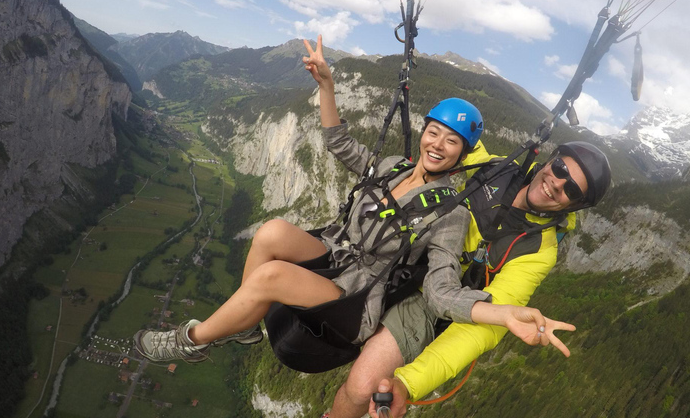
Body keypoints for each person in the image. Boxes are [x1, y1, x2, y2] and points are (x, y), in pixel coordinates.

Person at [132, 35, 563, 364]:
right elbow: (341, 146)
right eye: (434, 132)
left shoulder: (449, 214)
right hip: (336, 254)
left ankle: (190, 341)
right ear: (425, 131)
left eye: (452, 142)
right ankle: (243, 328)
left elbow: (441, 290)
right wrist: (327, 87)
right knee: (271, 233)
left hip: (355, 298)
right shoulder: (393, 164)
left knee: (271, 276)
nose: (438, 144)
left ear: (463, 155)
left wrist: (502, 313)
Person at [328, 139, 612, 418]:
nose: (558, 183)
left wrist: (408, 383)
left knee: (361, 388)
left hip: (431, 301)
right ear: (550, 160)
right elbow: (451, 143)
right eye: (561, 168)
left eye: (572, 189)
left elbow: (484, 327)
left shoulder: (538, 249)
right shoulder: (498, 168)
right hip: (401, 251)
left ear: (576, 205)